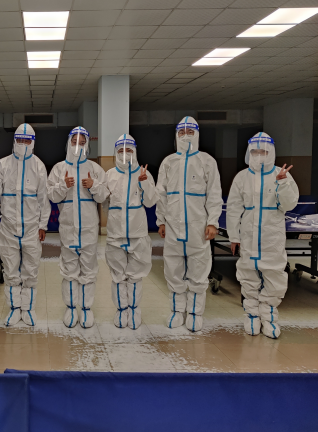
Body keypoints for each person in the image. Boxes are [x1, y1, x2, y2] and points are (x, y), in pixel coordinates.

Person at [227, 132, 299, 339]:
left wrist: (282, 183)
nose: (259, 155)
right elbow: (233, 208)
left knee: (274, 274)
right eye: (255, 151)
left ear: (271, 152)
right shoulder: (242, 177)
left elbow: (288, 205)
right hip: (248, 235)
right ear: (249, 153)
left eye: (264, 151)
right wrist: (234, 236)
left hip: (271, 236)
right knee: (248, 274)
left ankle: (269, 317)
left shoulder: (281, 174)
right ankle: (251, 315)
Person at [156, 116, 222, 332]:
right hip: (173, 227)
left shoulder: (207, 161)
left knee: (198, 270)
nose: (185, 136)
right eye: (182, 132)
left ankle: (194, 313)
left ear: (197, 134)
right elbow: (161, 194)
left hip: (198, 228)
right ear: (176, 135)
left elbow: (214, 194)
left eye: (190, 131)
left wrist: (212, 222)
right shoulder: (168, 162)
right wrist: (161, 221)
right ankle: (177, 311)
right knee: (173, 269)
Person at [0, 124, 51, 327]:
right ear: (14, 141)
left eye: (27, 140)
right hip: (8, 228)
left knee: (30, 271)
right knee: (11, 271)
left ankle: (28, 309)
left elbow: (43, 200)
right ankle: (14, 308)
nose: (23, 144)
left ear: (33, 142)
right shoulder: (3, 164)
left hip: (31, 229)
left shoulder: (39, 166)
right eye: (20, 140)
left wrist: (43, 225)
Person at [47, 126, 109, 328]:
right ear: (68, 143)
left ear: (87, 145)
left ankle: (87, 308)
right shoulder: (58, 169)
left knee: (88, 269)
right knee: (69, 269)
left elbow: (103, 196)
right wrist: (63, 185)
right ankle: (71, 308)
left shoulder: (95, 169)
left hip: (89, 229)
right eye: (75, 142)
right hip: (68, 229)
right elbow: (52, 196)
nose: (78, 146)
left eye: (82, 143)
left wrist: (93, 185)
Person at [105, 134, 158, 330]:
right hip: (115, 235)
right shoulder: (109, 174)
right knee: (118, 275)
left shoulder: (144, 173)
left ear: (135, 151)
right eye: (121, 150)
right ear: (116, 152)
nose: (125, 154)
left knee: (135, 276)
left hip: (137, 234)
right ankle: (121, 310)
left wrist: (144, 183)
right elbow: (104, 201)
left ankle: (134, 311)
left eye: (129, 150)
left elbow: (151, 202)